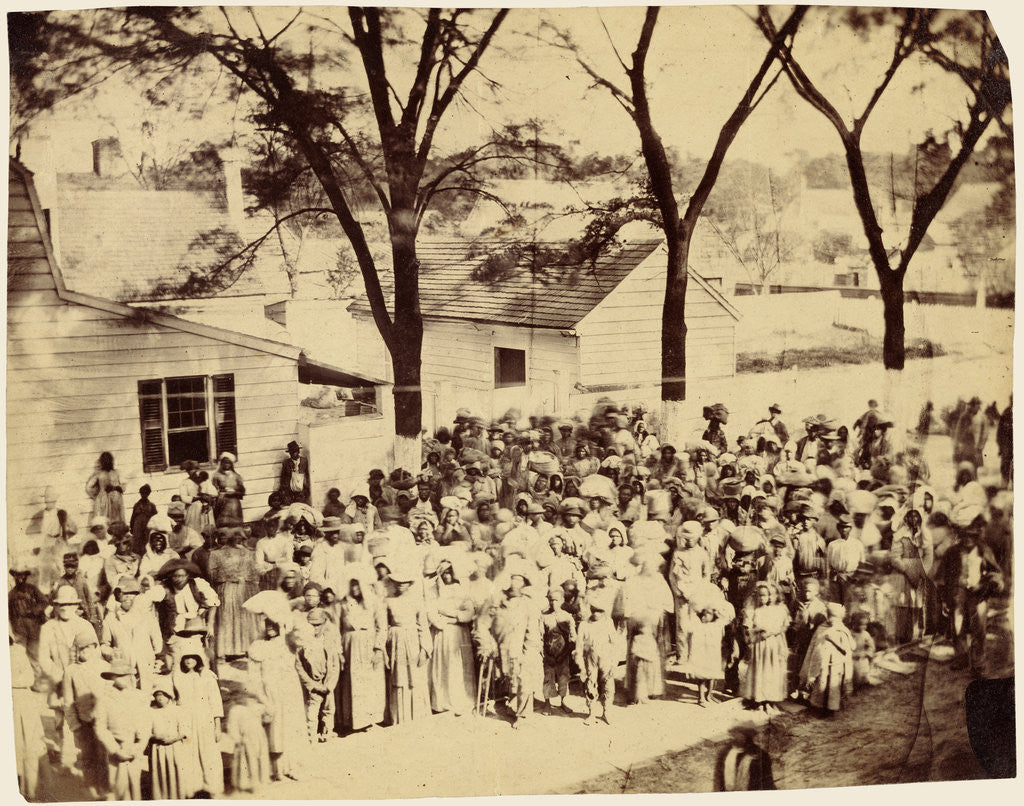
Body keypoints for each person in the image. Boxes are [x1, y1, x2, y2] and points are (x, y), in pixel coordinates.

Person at [475, 561, 542, 729]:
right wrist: (487, 643)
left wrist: (529, 651)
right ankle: (506, 705)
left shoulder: (528, 604)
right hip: (499, 648)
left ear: (524, 584)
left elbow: (532, 631)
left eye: (519, 581)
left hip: (520, 649)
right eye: (513, 579)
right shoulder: (495, 600)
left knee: (524, 680)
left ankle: (524, 715)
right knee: (506, 681)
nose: (515, 584)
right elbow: (482, 624)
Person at [247, 618, 309, 781]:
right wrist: (260, 695)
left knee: (291, 728)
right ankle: (277, 769)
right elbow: (253, 675)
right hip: (270, 691)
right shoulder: (258, 646)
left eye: (274, 624)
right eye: (267, 624)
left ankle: (294, 766)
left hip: (290, 691)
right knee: (275, 729)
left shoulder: (288, 641)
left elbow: (303, 637)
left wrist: (289, 619)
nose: (270, 628)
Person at [92, 658, 150, 800]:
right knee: (118, 787)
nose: (124, 679)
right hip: (116, 748)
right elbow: (100, 727)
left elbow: (146, 723)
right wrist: (115, 750)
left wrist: (139, 745)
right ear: (112, 677)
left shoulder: (139, 696)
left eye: (127, 675)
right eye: (119, 675)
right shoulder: (104, 698)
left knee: (136, 786)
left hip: (135, 747)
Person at [426, 557, 477, 717]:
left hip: (459, 633)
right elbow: (431, 612)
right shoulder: (433, 590)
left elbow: (469, 612)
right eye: (444, 573)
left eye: (449, 572)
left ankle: (461, 701)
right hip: (442, 633)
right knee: (444, 666)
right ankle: (442, 703)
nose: (447, 576)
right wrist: (443, 621)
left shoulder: (461, 589)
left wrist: (454, 616)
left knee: (459, 667)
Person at [383, 561, 432, 724]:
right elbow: (384, 625)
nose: (401, 585)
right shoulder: (388, 601)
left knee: (414, 677)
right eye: (397, 581)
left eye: (404, 582)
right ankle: (399, 718)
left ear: (409, 583)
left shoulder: (417, 601)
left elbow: (423, 626)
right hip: (395, 640)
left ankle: (417, 716)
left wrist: (425, 649)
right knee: (398, 677)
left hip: (412, 640)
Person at [339, 568, 386, 734]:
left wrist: (378, 648)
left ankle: (370, 719)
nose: (354, 590)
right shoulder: (344, 604)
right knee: (351, 682)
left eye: (357, 586)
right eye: (351, 586)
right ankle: (351, 720)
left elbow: (382, 627)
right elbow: (338, 627)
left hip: (368, 644)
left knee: (370, 682)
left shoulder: (374, 602)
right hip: (349, 646)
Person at [61, 632, 109, 794]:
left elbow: (111, 693)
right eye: (82, 650)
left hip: (104, 720)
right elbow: (67, 700)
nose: (85, 653)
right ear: (77, 651)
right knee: (88, 755)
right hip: (84, 721)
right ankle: (91, 788)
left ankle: (105, 787)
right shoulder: (71, 671)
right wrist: (74, 724)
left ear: (95, 648)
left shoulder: (105, 667)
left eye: (89, 649)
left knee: (104, 755)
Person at [173, 653, 225, 795]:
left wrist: (217, 726)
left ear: (198, 659)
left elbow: (215, 701)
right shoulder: (177, 677)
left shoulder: (207, 676)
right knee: (189, 752)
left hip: (204, 718)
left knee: (208, 752)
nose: (189, 661)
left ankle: (212, 788)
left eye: (192, 657)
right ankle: (193, 789)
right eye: (186, 658)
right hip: (186, 720)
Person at [100, 576, 162, 695]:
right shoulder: (111, 618)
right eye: (124, 594)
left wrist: (150, 656)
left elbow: (157, 644)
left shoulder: (147, 616)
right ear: (118, 596)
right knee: (127, 698)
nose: (128, 597)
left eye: (132, 593)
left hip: (145, 665)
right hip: (123, 665)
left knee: (146, 696)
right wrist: (113, 653)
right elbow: (104, 644)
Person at [208, 526, 262, 662]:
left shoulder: (250, 553)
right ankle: (227, 650)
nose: (237, 538)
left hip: (247, 589)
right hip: (227, 588)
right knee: (228, 617)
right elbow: (212, 575)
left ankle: (248, 648)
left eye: (240, 535)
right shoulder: (216, 554)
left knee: (246, 616)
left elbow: (256, 572)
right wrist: (228, 576)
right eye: (234, 535)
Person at [740, 582, 790, 713]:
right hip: (759, 644)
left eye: (765, 596)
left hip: (772, 644)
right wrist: (755, 631)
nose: (762, 598)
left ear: (770, 596)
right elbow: (749, 628)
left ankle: (770, 700)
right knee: (759, 671)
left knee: (771, 671)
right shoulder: (755, 611)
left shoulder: (778, 610)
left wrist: (772, 632)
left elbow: (783, 626)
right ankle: (760, 700)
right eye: (759, 596)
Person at [799, 602, 855, 715]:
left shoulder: (842, 630)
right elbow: (813, 646)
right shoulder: (821, 628)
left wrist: (834, 642)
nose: (831, 620)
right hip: (822, 663)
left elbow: (850, 647)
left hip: (836, 663)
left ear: (839, 617)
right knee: (821, 685)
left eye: (834, 617)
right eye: (829, 616)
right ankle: (819, 707)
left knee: (833, 687)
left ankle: (831, 709)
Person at [148, 675, 199, 799]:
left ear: (169, 696)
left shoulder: (178, 711)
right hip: (158, 748)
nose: (160, 698)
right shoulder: (151, 712)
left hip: (176, 747)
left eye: (163, 694)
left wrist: (176, 738)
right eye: (157, 695)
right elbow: (145, 731)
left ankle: (179, 797)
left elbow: (186, 732)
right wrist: (154, 737)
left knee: (177, 772)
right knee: (161, 773)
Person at [297, 608, 342, 743]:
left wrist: (329, 685)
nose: (315, 628)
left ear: (324, 624)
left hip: (326, 682)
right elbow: (299, 667)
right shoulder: (303, 644)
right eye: (311, 625)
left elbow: (335, 665)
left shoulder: (328, 642)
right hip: (314, 684)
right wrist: (312, 685)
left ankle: (327, 732)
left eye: (318, 625)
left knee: (328, 709)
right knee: (312, 712)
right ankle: (312, 736)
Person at [576, 590, 619, 725]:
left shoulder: (608, 623)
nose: (596, 614)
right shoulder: (584, 624)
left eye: (599, 611)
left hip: (606, 658)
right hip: (590, 659)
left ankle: (606, 712)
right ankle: (592, 713)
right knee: (590, 684)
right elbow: (579, 646)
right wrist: (581, 666)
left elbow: (615, 643)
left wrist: (614, 664)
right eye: (594, 610)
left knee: (608, 685)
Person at [11, 636, 45, 800]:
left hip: (23, 703)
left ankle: (29, 793)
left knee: (30, 749)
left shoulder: (18, 651)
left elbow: (29, 678)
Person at [688, 595, 735, 707]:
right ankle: (701, 698)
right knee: (702, 677)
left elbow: (726, 618)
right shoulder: (699, 627)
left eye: (708, 614)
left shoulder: (716, 625)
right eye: (703, 614)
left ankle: (709, 695)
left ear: (714, 615)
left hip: (713, 654)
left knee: (712, 675)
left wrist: (717, 610)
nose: (705, 617)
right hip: (703, 654)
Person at [225, 684, 272, 794]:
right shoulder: (235, 710)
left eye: (244, 696)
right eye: (237, 697)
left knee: (262, 758)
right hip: (245, 739)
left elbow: (270, 713)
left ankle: (263, 780)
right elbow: (232, 726)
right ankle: (251, 783)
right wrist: (237, 738)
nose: (242, 699)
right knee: (248, 761)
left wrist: (262, 700)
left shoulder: (255, 707)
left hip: (259, 736)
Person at [541, 586, 577, 714]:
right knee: (547, 677)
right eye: (551, 600)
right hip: (548, 654)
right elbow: (541, 636)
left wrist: (565, 653)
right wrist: (545, 654)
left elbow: (572, 637)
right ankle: (547, 704)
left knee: (563, 677)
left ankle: (563, 701)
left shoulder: (567, 617)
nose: (553, 603)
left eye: (556, 600)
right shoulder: (544, 616)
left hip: (563, 653)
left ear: (562, 600)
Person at [8, 568, 48, 654]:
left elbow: (44, 601)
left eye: (23, 575)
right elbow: (8, 615)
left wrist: (34, 610)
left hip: (34, 627)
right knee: (21, 654)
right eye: (17, 575)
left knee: (35, 654)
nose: (20, 578)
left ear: (26, 576)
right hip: (19, 630)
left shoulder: (32, 589)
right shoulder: (11, 594)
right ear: (14, 576)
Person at [86, 451, 125, 525]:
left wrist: (117, 488)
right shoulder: (99, 474)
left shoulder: (116, 472)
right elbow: (89, 487)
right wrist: (96, 495)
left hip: (115, 500)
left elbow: (123, 485)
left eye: (108, 460)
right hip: (103, 500)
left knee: (116, 521)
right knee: (104, 520)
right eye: (105, 460)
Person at [212, 452, 246, 527]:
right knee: (223, 523)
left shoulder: (236, 476)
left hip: (234, 503)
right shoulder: (217, 476)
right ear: (221, 463)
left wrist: (234, 493)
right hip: (222, 502)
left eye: (228, 463)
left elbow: (242, 492)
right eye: (224, 462)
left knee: (235, 523)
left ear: (231, 464)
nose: (226, 465)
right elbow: (213, 490)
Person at [278, 440, 312, 505]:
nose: (292, 454)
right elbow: (283, 477)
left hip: (302, 491)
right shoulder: (286, 463)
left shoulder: (304, 461)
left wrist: (307, 488)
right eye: (291, 452)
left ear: (298, 451)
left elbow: (307, 475)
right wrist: (284, 489)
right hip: (290, 491)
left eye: (294, 452)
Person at [997, 397, 1012, 486]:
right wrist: (1000, 446)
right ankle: (1004, 483)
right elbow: (1000, 431)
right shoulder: (1006, 413)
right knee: (1005, 464)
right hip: (1007, 444)